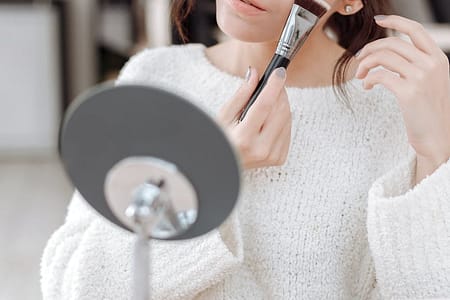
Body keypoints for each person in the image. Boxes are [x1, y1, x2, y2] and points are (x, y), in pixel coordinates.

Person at [41, 0, 450, 299]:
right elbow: (72, 287)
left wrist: (436, 155)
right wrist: (207, 173)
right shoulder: (154, 78)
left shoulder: (392, 111)